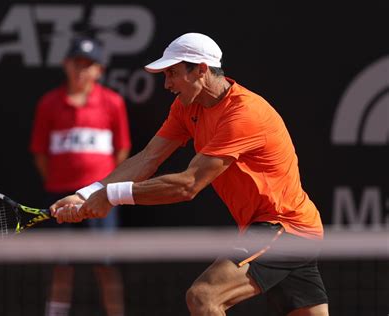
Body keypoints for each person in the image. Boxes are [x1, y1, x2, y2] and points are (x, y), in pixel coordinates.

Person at [50, 32, 329, 315]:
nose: (167, 84)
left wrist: (111, 195)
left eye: (172, 73)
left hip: (284, 228)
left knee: (204, 296)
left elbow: (189, 184)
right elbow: (148, 158)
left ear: (201, 70)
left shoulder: (244, 114)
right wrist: (85, 193)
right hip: (281, 229)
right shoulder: (186, 107)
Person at [29, 36, 131, 316]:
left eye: (88, 65)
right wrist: (61, 184)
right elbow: (40, 153)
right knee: (61, 266)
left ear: (99, 70)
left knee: (106, 265)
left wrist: (102, 187)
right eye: (77, 63)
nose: (81, 70)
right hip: (60, 196)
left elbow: (122, 149)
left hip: (100, 199)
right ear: (66, 65)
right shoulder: (48, 104)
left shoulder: (113, 103)